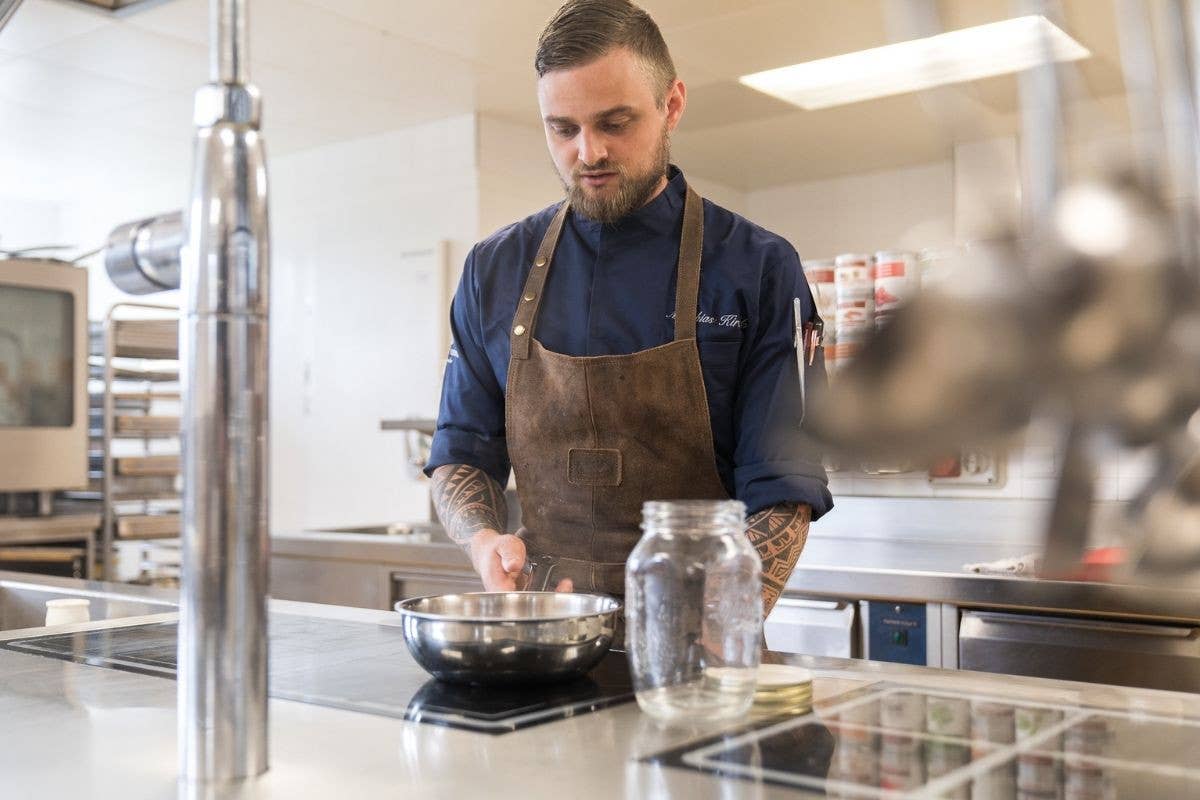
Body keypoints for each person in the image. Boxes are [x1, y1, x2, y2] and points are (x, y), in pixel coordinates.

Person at [425, 0, 831, 616]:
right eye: (562, 129)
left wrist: (719, 619)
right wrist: (483, 540)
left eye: (615, 123)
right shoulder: (494, 269)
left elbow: (782, 489)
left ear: (671, 105)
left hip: (700, 638)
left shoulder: (758, 268)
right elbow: (462, 452)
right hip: (546, 633)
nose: (588, 154)